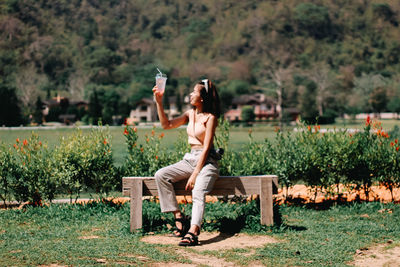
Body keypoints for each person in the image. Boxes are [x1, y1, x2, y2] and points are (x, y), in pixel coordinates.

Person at [152, 79, 221, 246]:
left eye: (194, 92)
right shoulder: (190, 114)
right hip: (190, 158)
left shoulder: (211, 118)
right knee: (161, 175)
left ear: (202, 98)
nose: (190, 94)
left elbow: (206, 148)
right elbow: (166, 125)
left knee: (198, 191)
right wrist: (159, 102)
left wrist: (196, 173)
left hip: (207, 162)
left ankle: (193, 231)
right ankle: (179, 217)